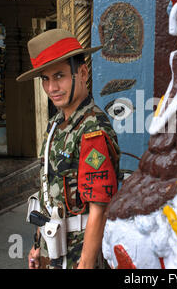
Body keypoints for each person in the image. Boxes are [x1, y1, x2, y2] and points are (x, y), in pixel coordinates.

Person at [16, 29, 120, 269]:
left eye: (59, 76)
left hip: (79, 254)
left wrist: (85, 264)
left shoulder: (92, 130)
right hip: (53, 249)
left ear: (82, 73)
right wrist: (38, 246)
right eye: (45, 78)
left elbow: (99, 209)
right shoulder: (55, 124)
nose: (52, 87)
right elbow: (49, 193)